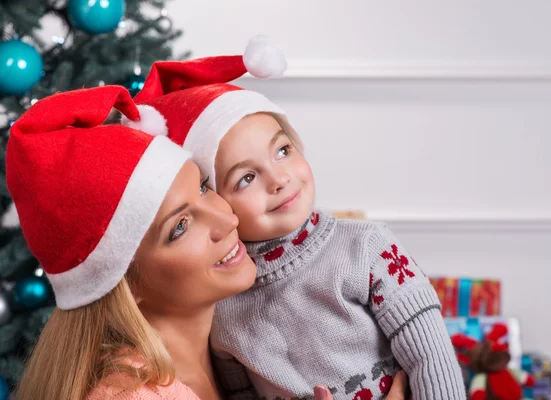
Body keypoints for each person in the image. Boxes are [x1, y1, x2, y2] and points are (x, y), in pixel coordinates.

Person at [121, 36, 465, 400]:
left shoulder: (366, 248)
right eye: (246, 178)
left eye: (283, 151)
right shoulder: (224, 306)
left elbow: (430, 355)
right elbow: (240, 394)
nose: (279, 179)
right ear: (218, 202)